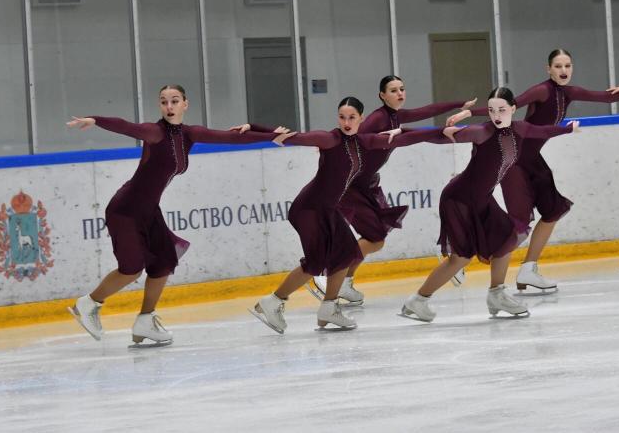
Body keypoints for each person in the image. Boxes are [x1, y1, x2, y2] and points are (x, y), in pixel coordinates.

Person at [66, 84, 291, 346]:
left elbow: (230, 138)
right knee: (131, 270)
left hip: (149, 210)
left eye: (174, 101)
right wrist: (97, 120)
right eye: (164, 102)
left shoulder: (189, 134)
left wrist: (268, 135)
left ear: (186, 104)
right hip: (125, 210)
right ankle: (89, 303)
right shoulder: (155, 132)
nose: (169, 107)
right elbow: (128, 126)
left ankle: (145, 321)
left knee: (163, 262)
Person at [241, 97, 454, 333]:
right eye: (342, 117)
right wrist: (254, 128)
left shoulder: (364, 142)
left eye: (352, 117)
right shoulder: (330, 139)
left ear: (361, 119)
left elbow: (407, 138)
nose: (346, 122)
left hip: (326, 209)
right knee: (316, 262)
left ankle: (328, 308)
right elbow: (294, 136)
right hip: (309, 209)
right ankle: (273, 302)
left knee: (346, 254)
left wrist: (442, 131)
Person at [447, 49, 619, 293]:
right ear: (548, 69)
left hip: (534, 161)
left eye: (567, 66)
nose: (563, 71)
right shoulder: (541, 90)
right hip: (516, 163)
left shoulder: (569, 93)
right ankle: (460, 256)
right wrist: (469, 112)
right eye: (558, 66)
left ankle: (528, 269)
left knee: (553, 210)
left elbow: (606, 97)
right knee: (519, 226)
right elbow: (509, 105)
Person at [401, 87, 578, 322]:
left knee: (506, 239)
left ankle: (497, 294)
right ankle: (418, 300)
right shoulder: (482, 132)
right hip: (459, 199)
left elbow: (542, 130)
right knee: (461, 258)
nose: (496, 115)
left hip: (481, 199)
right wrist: (403, 132)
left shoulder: (520, 129)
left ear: (513, 109)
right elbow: (441, 136)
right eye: (492, 110)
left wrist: (567, 129)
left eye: (502, 110)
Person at [301, 75, 475, 305]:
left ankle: (342, 280)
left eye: (402, 89)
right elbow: (351, 135)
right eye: (393, 90)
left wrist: (459, 105)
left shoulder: (396, 117)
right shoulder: (377, 119)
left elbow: (426, 111)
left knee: (376, 237)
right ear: (382, 95)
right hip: (350, 186)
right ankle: (330, 274)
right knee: (375, 238)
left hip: (365, 184)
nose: (400, 93)